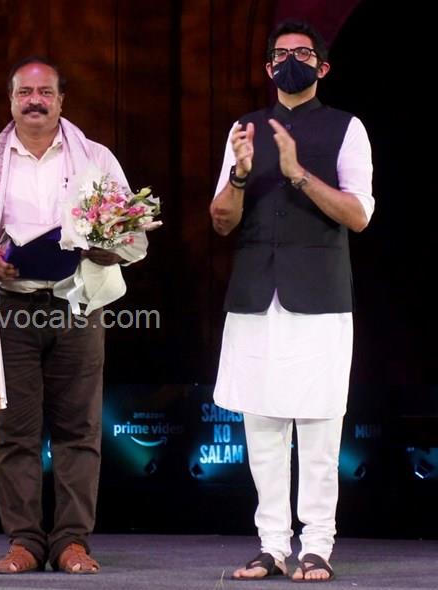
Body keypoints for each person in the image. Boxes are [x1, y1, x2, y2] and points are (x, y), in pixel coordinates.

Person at [0, 56, 147, 574]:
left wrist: (105, 247)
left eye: (45, 92)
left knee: (79, 429)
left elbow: (134, 235)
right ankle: (25, 543)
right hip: (11, 309)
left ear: (61, 100)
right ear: (11, 100)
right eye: (25, 92)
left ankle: (72, 542)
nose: (35, 101)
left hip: (76, 304)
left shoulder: (95, 158)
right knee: (14, 432)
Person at [209, 19, 374, 582]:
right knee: (262, 429)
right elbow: (221, 220)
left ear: (322, 67)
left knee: (320, 427)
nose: (290, 62)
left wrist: (296, 173)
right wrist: (239, 174)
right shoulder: (244, 129)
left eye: (302, 54)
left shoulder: (347, 128)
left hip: (320, 298)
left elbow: (358, 214)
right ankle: (272, 545)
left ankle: (317, 546)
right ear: (267, 68)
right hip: (256, 295)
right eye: (280, 55)